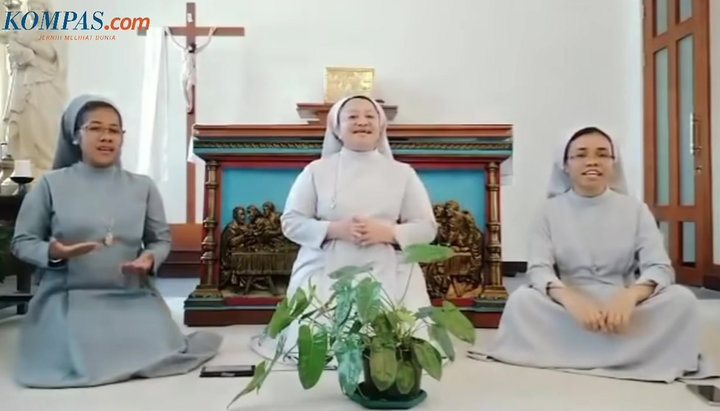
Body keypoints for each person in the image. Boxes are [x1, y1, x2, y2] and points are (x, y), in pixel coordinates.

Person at [472, 126, 716, 382]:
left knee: (682, 301)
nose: (592, 161)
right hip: (568, 305)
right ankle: (628, 351)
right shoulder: (548, 211)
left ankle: (574, 350)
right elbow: (539, 269)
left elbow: (659, 267)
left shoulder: (636, 210)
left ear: (613, 163)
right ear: (565, 165)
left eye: (602, 154)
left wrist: (630, 296)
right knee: (522, 301)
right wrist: (570, 298)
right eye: (580, 154)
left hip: (622, 305)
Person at [10, 95, 222, 388]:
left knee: (161, 346)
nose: (106, 137)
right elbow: (22, 241)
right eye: (95, 128)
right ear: (75, 135)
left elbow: (159, 240)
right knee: (80, 353)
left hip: (130, 295)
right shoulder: (50, 185)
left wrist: (149, 259)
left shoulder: (142, 186)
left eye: (114, 130)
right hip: (70, 298)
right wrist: (54, 252)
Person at [250, 95, 437, 361]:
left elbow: (427, 228)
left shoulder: (403, 173)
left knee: (398, 343)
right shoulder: (316, 170)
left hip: (387, 260)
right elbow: (291, 222)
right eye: (352, 116)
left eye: (370, 116)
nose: (362, 121)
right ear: (336, 128)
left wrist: (390, 233)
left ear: (381, 126)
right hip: (326, 262)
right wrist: (335, 229)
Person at [1, 0, 68, 180]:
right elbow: (14, 56)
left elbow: (52, 54)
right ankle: (25, 166)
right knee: (25, 126)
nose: (34, 13)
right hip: (24, 87)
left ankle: (45, 165)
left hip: (45, 88)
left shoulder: (54, 34)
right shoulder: (23, 33)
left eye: (38, 9)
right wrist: (21, 49)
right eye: (31, 10)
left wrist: (28, 44)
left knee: (43, 124)